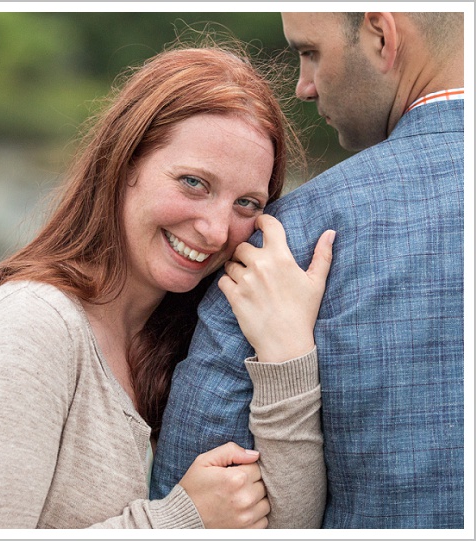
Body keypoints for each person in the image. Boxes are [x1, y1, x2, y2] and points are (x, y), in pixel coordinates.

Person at [0, 42, 336, 529]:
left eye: (246, 203)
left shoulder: (197, 339)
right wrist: (178, 522)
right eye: (194, 183)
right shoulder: (28, 326)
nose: (217, 231)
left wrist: (288, 352)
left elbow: (290, 526)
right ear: (125, 161)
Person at [150, 12, 465, 529]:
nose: (303, 87)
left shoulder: (290, 239)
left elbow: (203, 489)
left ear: (381, 35)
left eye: (309, 51)